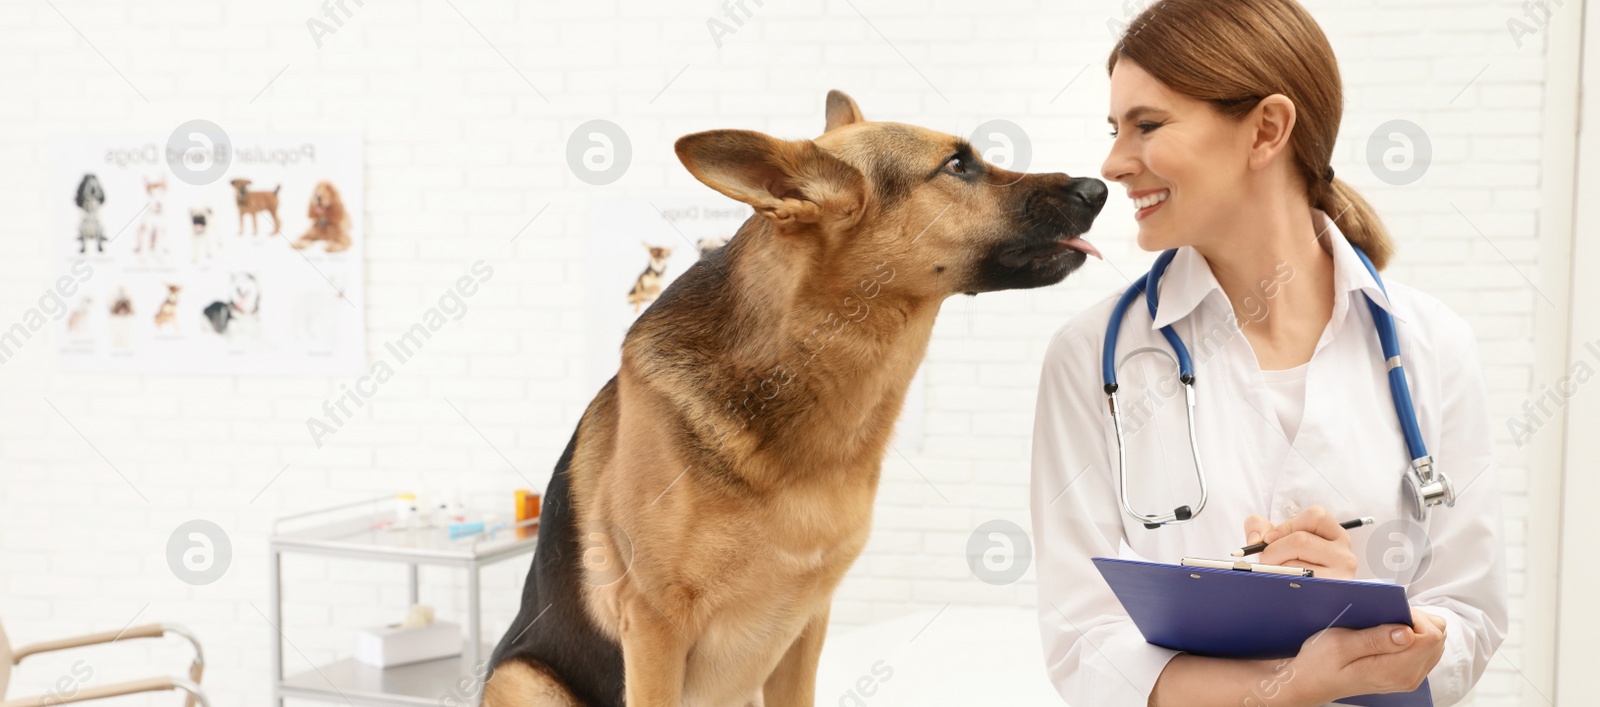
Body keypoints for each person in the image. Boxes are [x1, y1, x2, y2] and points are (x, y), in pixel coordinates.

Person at [1028, 1, 1508, 705]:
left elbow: (1469, 616)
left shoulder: (1432, 345)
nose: (1112, 163)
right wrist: (1288, 684)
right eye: (1114, 128)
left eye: (1147, 125)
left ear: (1268, 129)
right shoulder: (1089, 360)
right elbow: (1082, 644)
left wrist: (1378, 620)